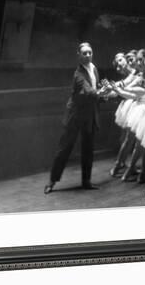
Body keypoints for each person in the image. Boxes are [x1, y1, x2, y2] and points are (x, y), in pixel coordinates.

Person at [44, 42, 105, 193]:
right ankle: (52, 181)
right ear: (78, 55)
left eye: (90, 52)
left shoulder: (94, 69)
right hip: (75, 116)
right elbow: (89, 91)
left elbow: (95, 92)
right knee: (64, 148)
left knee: (88, 149)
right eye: (84, 53)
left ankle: (86, 181)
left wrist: (104, 94)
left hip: (89, 115)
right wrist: (103, 92)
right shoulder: (78, 74)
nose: (88, 55)